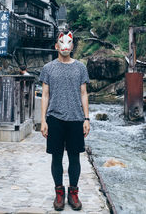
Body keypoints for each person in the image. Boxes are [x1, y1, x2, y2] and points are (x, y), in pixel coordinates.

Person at [39, 31, 90, 211]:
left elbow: (84, 94)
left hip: (76, 118)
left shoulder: (80, 68)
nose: (65, 45)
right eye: (62, 42)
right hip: (55, 118)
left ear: (72, 46)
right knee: (57, 157)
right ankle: (59, 193)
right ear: (56, 46)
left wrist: (86, 118)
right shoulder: (48, 68)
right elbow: (45, 95)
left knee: (75, 157)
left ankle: (73, 193)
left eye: (69, 43)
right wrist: (43, 120)